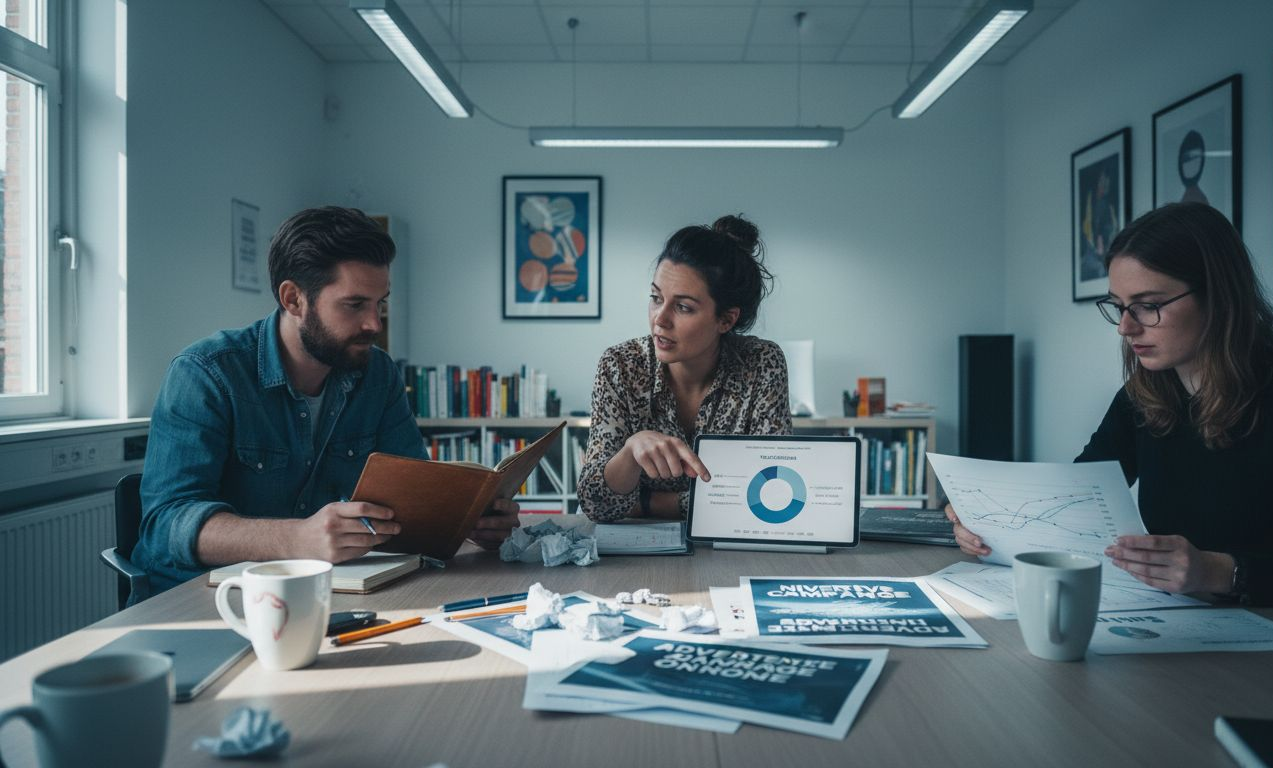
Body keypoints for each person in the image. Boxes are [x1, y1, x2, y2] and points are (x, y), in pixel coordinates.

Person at [947, 202, 1273, 631]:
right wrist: (987, 525)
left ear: (1219, 296)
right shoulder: (1145, 395)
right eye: (1119, 306)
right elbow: (1074, 501)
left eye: (1148, 305)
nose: (1125, 327)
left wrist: (1218, 571)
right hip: (1179, 630)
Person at [132, 207, 518, 602]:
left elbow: (414, 495)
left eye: (380, 303)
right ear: (294, 299)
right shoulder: (205, 373)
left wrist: (467, 520)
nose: (375, 324)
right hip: (204, 600)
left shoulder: (378, 374)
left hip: (327, 594)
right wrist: (298, 538)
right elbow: (164, 526)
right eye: (355, 305)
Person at [579, 214, 791, 522]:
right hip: (637, 550)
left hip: (730, 544)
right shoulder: (620, 365)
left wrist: (646, 503)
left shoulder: (761, 363)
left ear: (726, 320)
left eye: (683, 307)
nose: (660, 319)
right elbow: (594, 504)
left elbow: (769, 493)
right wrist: (630, 452)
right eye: (656, 298)